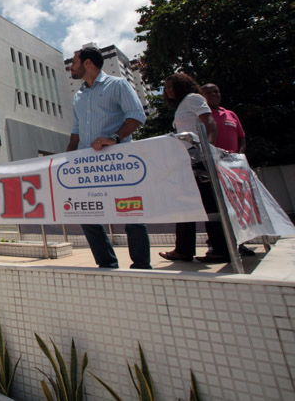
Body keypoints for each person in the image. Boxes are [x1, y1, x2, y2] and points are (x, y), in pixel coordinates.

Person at [66, 47, 152, 269]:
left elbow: (137, 115)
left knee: (131, 214)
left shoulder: (118, 85)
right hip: (87, 166)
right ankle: (107, 263)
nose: (70, 67)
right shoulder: (78, 97)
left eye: (73, 62)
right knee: (86, 215)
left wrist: (114, 137)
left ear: (87, 63)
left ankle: (142, 265)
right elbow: (76, 131)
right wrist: (66, 161)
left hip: (118, 163)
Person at [158, 73, 230, 264]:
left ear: (183, 86)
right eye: (166, 88)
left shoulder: (193, 98)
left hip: (200, 158)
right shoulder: (182, 105)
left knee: (209, 204)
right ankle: (183, 249)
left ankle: (221, 249)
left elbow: (209, 121)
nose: (168, 91)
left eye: (171, 86)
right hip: (187, 160)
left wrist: (209, 148)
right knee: (186, 203)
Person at [202, 82, 255, 257]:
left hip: (233, 167)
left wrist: (239, 156)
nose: (213, 95)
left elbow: (242, 138)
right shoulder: (202, 114)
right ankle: (215, 244)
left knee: (236, 207)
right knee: (214, 207)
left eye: (215, 91)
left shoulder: (230, 114)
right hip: (212, 167)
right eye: (208, 93)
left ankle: (240, 243)